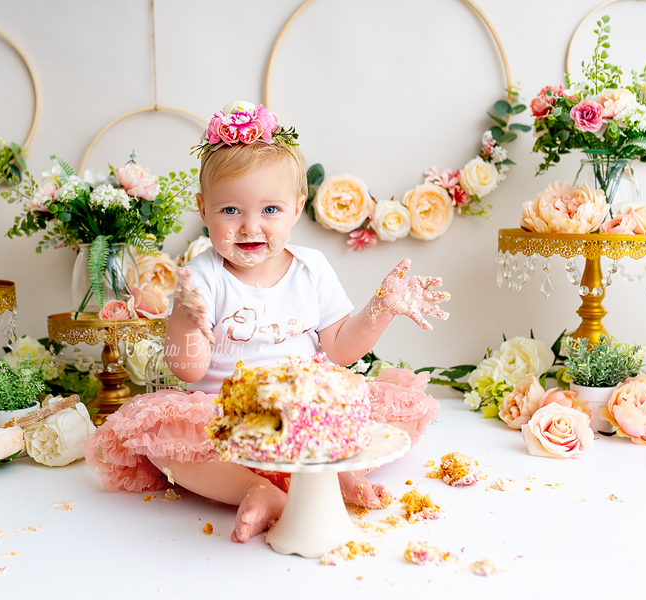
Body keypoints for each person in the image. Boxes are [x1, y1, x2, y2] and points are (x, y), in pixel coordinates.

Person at [85, 100, 449, 543]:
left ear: (297, 209)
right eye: (231, 211)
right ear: (203, 209)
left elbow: (340, 349)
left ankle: (335, 476)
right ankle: (256, 489)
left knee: (394, 418)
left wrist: (381, 308)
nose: (250, 226)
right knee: (164, 441)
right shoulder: (202, 276)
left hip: (306, 413)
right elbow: (189, 371)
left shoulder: (311, 269)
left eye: (270, 210)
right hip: (227, 415)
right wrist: (184, 316)